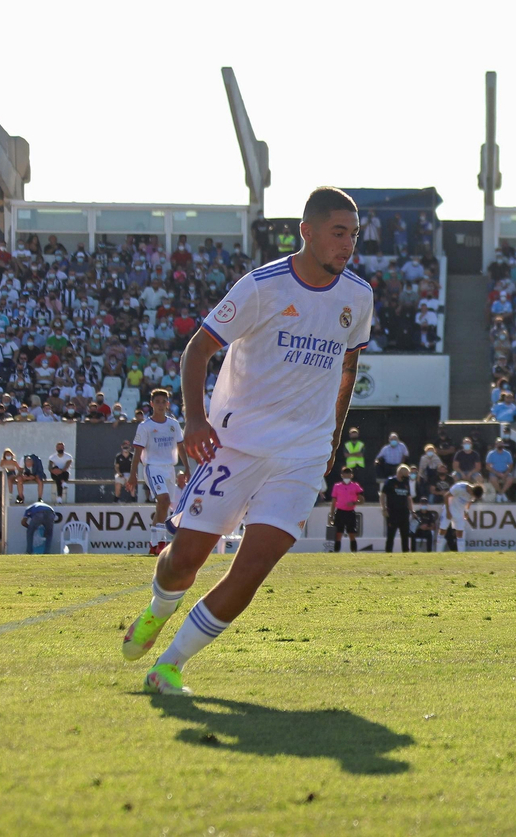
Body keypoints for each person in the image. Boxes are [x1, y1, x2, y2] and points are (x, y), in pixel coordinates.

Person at [123, 186, 374, 696]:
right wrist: (195, 420)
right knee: (184, 561)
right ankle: (159, 607)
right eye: (338, 233)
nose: (348, 245)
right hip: (235, 446)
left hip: (302, 454)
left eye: (353, 235)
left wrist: (332, 440)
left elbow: (348, 369)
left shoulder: (358, 296)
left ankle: (169, 666)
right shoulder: (261, 287)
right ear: (306, 231)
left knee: (254, 567)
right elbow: (199, 349)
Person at [130, 389, 185, 539]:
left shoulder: (173, 424)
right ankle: (162, 541)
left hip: (170, 468)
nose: (161, 405)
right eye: (157, 402)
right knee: (164, 500)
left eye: (163, 402)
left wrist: (186, 468)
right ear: (151, 404)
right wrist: (133, 474)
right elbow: (137, 451)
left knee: (163, 505)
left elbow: (181, 447)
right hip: (153, 468)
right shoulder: (145, 426)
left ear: (168, 404)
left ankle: (154, 544)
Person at [382, 464, 415, 553]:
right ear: (400, 473)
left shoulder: (406, 483)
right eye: (406, 474)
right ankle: (388, 553)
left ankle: (406, 554)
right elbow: (383, 495)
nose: (407, 476)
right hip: (392, 512)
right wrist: (384, 508)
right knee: (391, 535)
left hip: (404, 512)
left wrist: (412, 510)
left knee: (405, 535)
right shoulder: (390, 482)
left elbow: (409, 497)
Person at [330, 469, 364, 552]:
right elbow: (334, 501)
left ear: (351, 475)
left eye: (348, 474)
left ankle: (353, 552)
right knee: (338, 533)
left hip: (350, 512)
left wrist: (354, 503)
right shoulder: (337, 486)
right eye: (345, 474)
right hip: (340, 512)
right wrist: (332, 514)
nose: (347, 476)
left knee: (352, 533)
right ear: (342, 475)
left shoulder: (355, 486)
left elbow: (362, 500)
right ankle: (336, 552)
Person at [445, 483, 479, 551]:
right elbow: (447, 496)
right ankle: (454, 551)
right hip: (451, 511)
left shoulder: (471, 495)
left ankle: (460, 552)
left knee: (460, 534)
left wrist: (466, 511)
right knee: (448, 534)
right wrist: (448, 511)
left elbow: (469, 502)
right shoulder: (460, 488)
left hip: (459, 515)